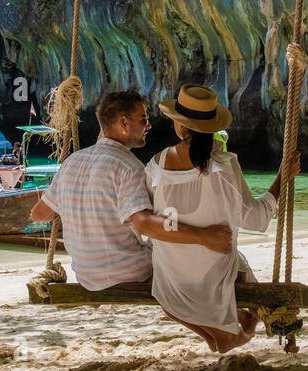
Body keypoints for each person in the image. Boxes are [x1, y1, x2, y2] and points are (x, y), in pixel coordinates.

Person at [146, 84, 300, 354]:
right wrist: (282, 178)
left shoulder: (156, 165)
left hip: (170, 281)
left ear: (180, 126)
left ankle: (245, 324)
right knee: (235, 261)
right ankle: (252, 321)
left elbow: (149, 219)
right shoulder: (225, 166)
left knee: (231, 262)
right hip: (213, 279)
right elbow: (254, 219)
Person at [29, 89, 232, 291]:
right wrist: (205, 236)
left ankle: (234, 316)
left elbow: (39, 214)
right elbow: (144, 224)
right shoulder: (128, 166)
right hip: (129, 272)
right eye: (143, 120)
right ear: (124, 124)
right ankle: (230, 312)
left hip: (87, 276)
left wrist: (79, 205)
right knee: (191, 253)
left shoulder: (71, 162)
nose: (149, 125)